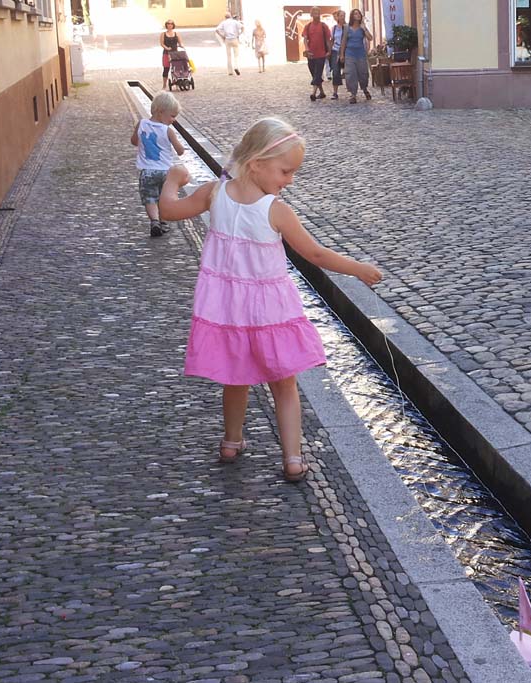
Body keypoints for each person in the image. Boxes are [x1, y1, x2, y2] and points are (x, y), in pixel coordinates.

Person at [158, 118, 382, 482]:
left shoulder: (213, 194)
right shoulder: (275, 210)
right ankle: (292, 459)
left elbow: (167, 210)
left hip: (226, 309)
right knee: (284, 383)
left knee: (235, 377)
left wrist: (174, 178)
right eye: (285, 171)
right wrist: (358, 268)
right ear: (256, 162)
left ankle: (231, 442)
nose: (289, 181)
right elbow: (316, 254)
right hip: (269, 311)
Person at [130, 92, 186, 237]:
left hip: (147, 172)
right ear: (161, 112)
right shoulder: (167, 131)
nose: (173, 120)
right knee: (163, 198)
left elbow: (134, 141)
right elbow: (180, 151)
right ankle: (163, 222)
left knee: (150, 198)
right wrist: (180, 148)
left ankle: (154, 221)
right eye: (172, 116)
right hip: (165, 172)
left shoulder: (141, 124)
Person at [340, 8, 373, 104]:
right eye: (355, 14)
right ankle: (353, 94)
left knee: (363, 74)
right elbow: (344, 41)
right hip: (350, 54)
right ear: (352, 16)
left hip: (361, 54)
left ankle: (365, 89)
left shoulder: (362, 27)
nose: (357, 15)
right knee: (350, 74)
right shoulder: (347, 27)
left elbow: (370, 38)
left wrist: (364, 28)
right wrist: (342, 54)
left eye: (358, 14)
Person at [302, 7, 332, 101]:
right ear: (311, 14)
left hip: (321, 54)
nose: (316, 14)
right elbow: (305, 39)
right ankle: (322, 92)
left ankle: (313, 93)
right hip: (311, 54)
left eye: (318, 12)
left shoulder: (324, 26)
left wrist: (329, 51)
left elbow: (328, 40)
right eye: (314, 12)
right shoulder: (308, 26)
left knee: (318, 73)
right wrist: (307, 49)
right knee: (314, 74)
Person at [216, 11, 243, 76]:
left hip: (227, 40)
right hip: (234, 39)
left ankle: (230, 71)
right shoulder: (235, 22)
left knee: (229, 56)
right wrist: (239, 34)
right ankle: (236, 66)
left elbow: (217, 30)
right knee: (236, 55)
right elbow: (242, 27)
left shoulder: (223, 23)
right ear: (230, 16)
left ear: (225, 17)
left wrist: (222, 36)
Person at [159, 20, 184, 90]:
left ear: (173, 25)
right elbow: (162, 43)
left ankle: (177, 83)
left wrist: (182, 45)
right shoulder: (163, 34)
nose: (170, 25)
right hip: (166, 54)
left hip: (175, 53)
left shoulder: (176, 34)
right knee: (166, 69)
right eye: (168, 24)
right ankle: (164, 85)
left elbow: (180, 42)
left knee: (177, 69)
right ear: (166, 25)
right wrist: (167, 48)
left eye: (171, 24)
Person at [328, 10, 346, 99]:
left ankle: (352, 91)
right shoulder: (334, 28)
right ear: (337, 17)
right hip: (335, 51)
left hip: (346, 51)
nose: (342, 17)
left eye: (344, 16)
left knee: (350, 72)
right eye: (341, 16)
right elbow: (332, 40)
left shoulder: (347, 27)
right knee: (335, 72)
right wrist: (329, 51)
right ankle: (335, 93)